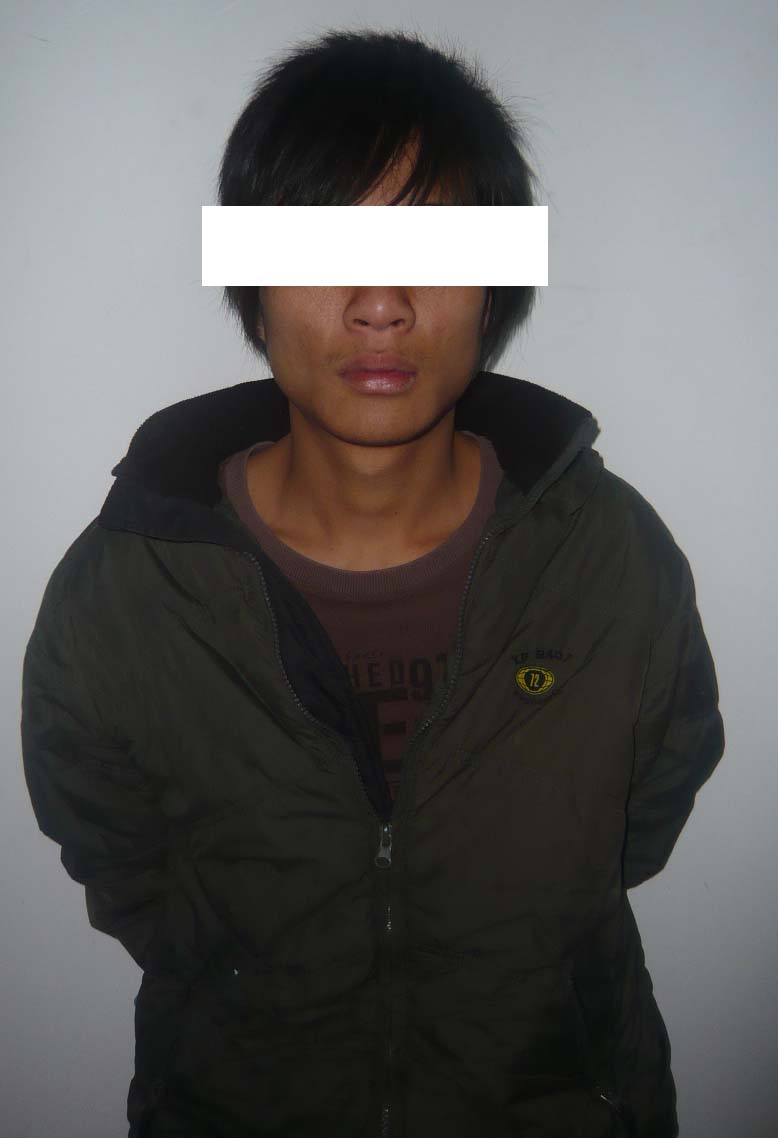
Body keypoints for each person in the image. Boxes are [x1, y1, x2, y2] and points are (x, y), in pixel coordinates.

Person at [20, 26, 725, 1138]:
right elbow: (116, 857)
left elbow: (649, 806)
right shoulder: (130, 588)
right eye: (321, 245)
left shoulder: (606, 557)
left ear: (493, 286)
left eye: (436, 248)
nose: (381, 303)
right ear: (251, 283)